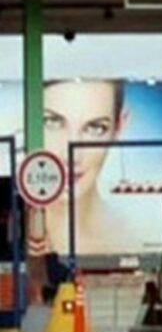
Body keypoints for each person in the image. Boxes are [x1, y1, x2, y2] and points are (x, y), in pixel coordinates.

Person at [40, 79, 143, 257]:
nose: (71, 156)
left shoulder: (131, 239)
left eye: (95, 128)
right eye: (53, 122)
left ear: (119, 126)